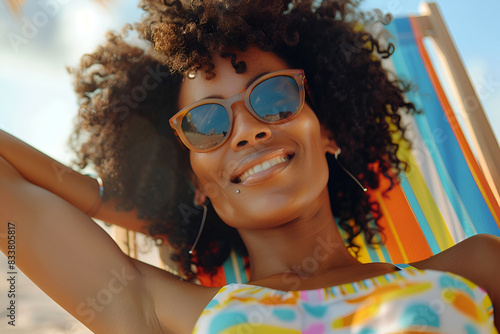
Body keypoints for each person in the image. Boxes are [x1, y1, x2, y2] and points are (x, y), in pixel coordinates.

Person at [1, 0, 499, 333]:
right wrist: (134, 202)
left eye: (275, 95)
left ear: (326, 131)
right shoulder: (164, 310)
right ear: (193, 177)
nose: (246, 130)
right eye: (206, 123)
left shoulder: (479, 267)